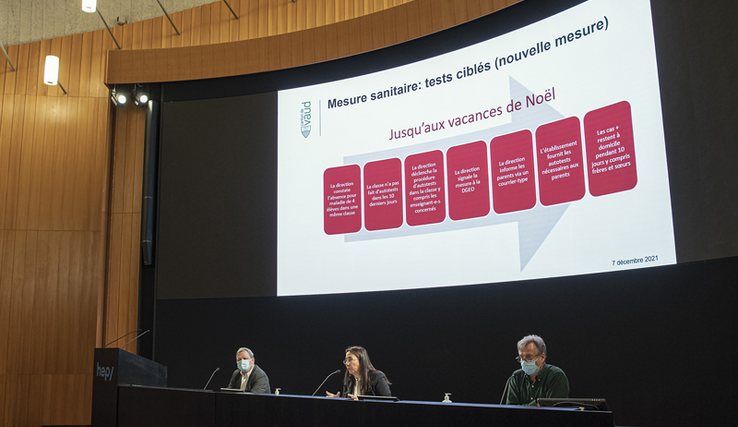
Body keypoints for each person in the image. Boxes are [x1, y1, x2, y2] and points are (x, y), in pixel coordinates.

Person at [505, 334, 569, 406]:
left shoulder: (556, 376)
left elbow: (555, 411)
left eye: (529, 357)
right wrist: (536, 404)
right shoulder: (516, 377)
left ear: (542, 357)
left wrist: (523, 407)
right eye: (521, 358)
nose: (524, 361)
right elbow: (511, 411)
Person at [326, 346, 391, 400]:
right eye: (346, 360)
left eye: (350, 359)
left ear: (361, 360)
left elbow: (388, 402)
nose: (347, 364)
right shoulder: (349, 381)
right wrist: (339, 400)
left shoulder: (377, 377)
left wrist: (362, 403)